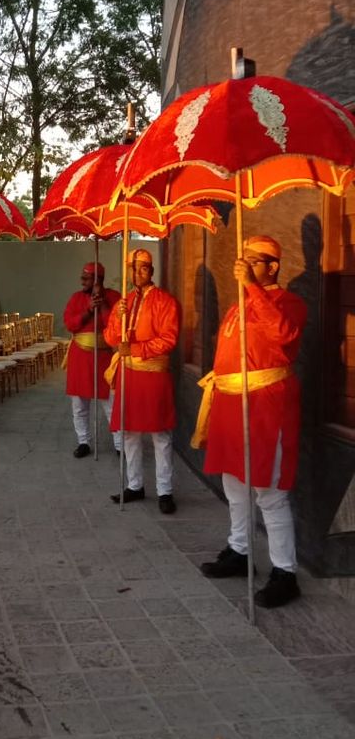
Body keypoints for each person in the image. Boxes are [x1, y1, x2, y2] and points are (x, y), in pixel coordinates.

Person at [193, 236, 307, 608]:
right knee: (234, 485)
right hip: (230, 404)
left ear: (272, 266)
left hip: (266, 405)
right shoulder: (239, 306)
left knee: (270, 492)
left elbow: (284, 335)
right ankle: (240, 551)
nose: (244, 265)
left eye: (253, 261)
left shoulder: (289, 302)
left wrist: (252, 288)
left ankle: (285, 573)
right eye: (243, 260)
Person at [104, 248, 181, 515]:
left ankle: (165, 490)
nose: (138, 273)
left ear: (151, 271)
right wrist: (117, 315)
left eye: (143, 268)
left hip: (153, 374)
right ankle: (134, 485)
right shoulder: (123, 304)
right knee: (128, 433)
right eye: (134, 269)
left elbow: (169, 339)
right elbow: (111, 338)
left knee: (160, 435)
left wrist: (135, 350)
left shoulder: (166, 302)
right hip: (128, 375)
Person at [63, 262, 122, 458]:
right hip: (80, 356)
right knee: (79, 404)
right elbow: (70, 324)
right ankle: (83, 442)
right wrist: (88, 310)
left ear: (98, 280)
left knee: (112, 404)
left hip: (104, 356)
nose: (82, 281)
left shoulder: (114, 297)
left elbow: (115, 327)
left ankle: (120, 444)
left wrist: (103, 304)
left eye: (86, 278)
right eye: (82, 277)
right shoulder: (76, 298)